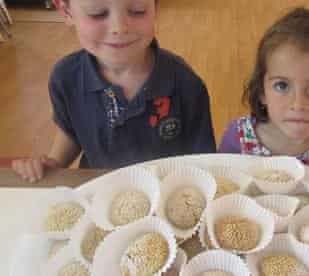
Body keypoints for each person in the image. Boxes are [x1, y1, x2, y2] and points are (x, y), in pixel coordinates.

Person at [12, 0, 216, 182]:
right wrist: (55, 164)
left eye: (137, 11)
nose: (119, 28)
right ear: (66, 11)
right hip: (99, 191)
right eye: (97, 13)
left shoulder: (187, 84)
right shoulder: (65, 78)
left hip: (165, 195)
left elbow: (202, 164)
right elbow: (72, 132)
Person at [219, 8, 309, 176]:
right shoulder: (237, 139)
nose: (299, 104)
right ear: (262, 92)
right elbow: (223, 178)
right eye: (282, 86)